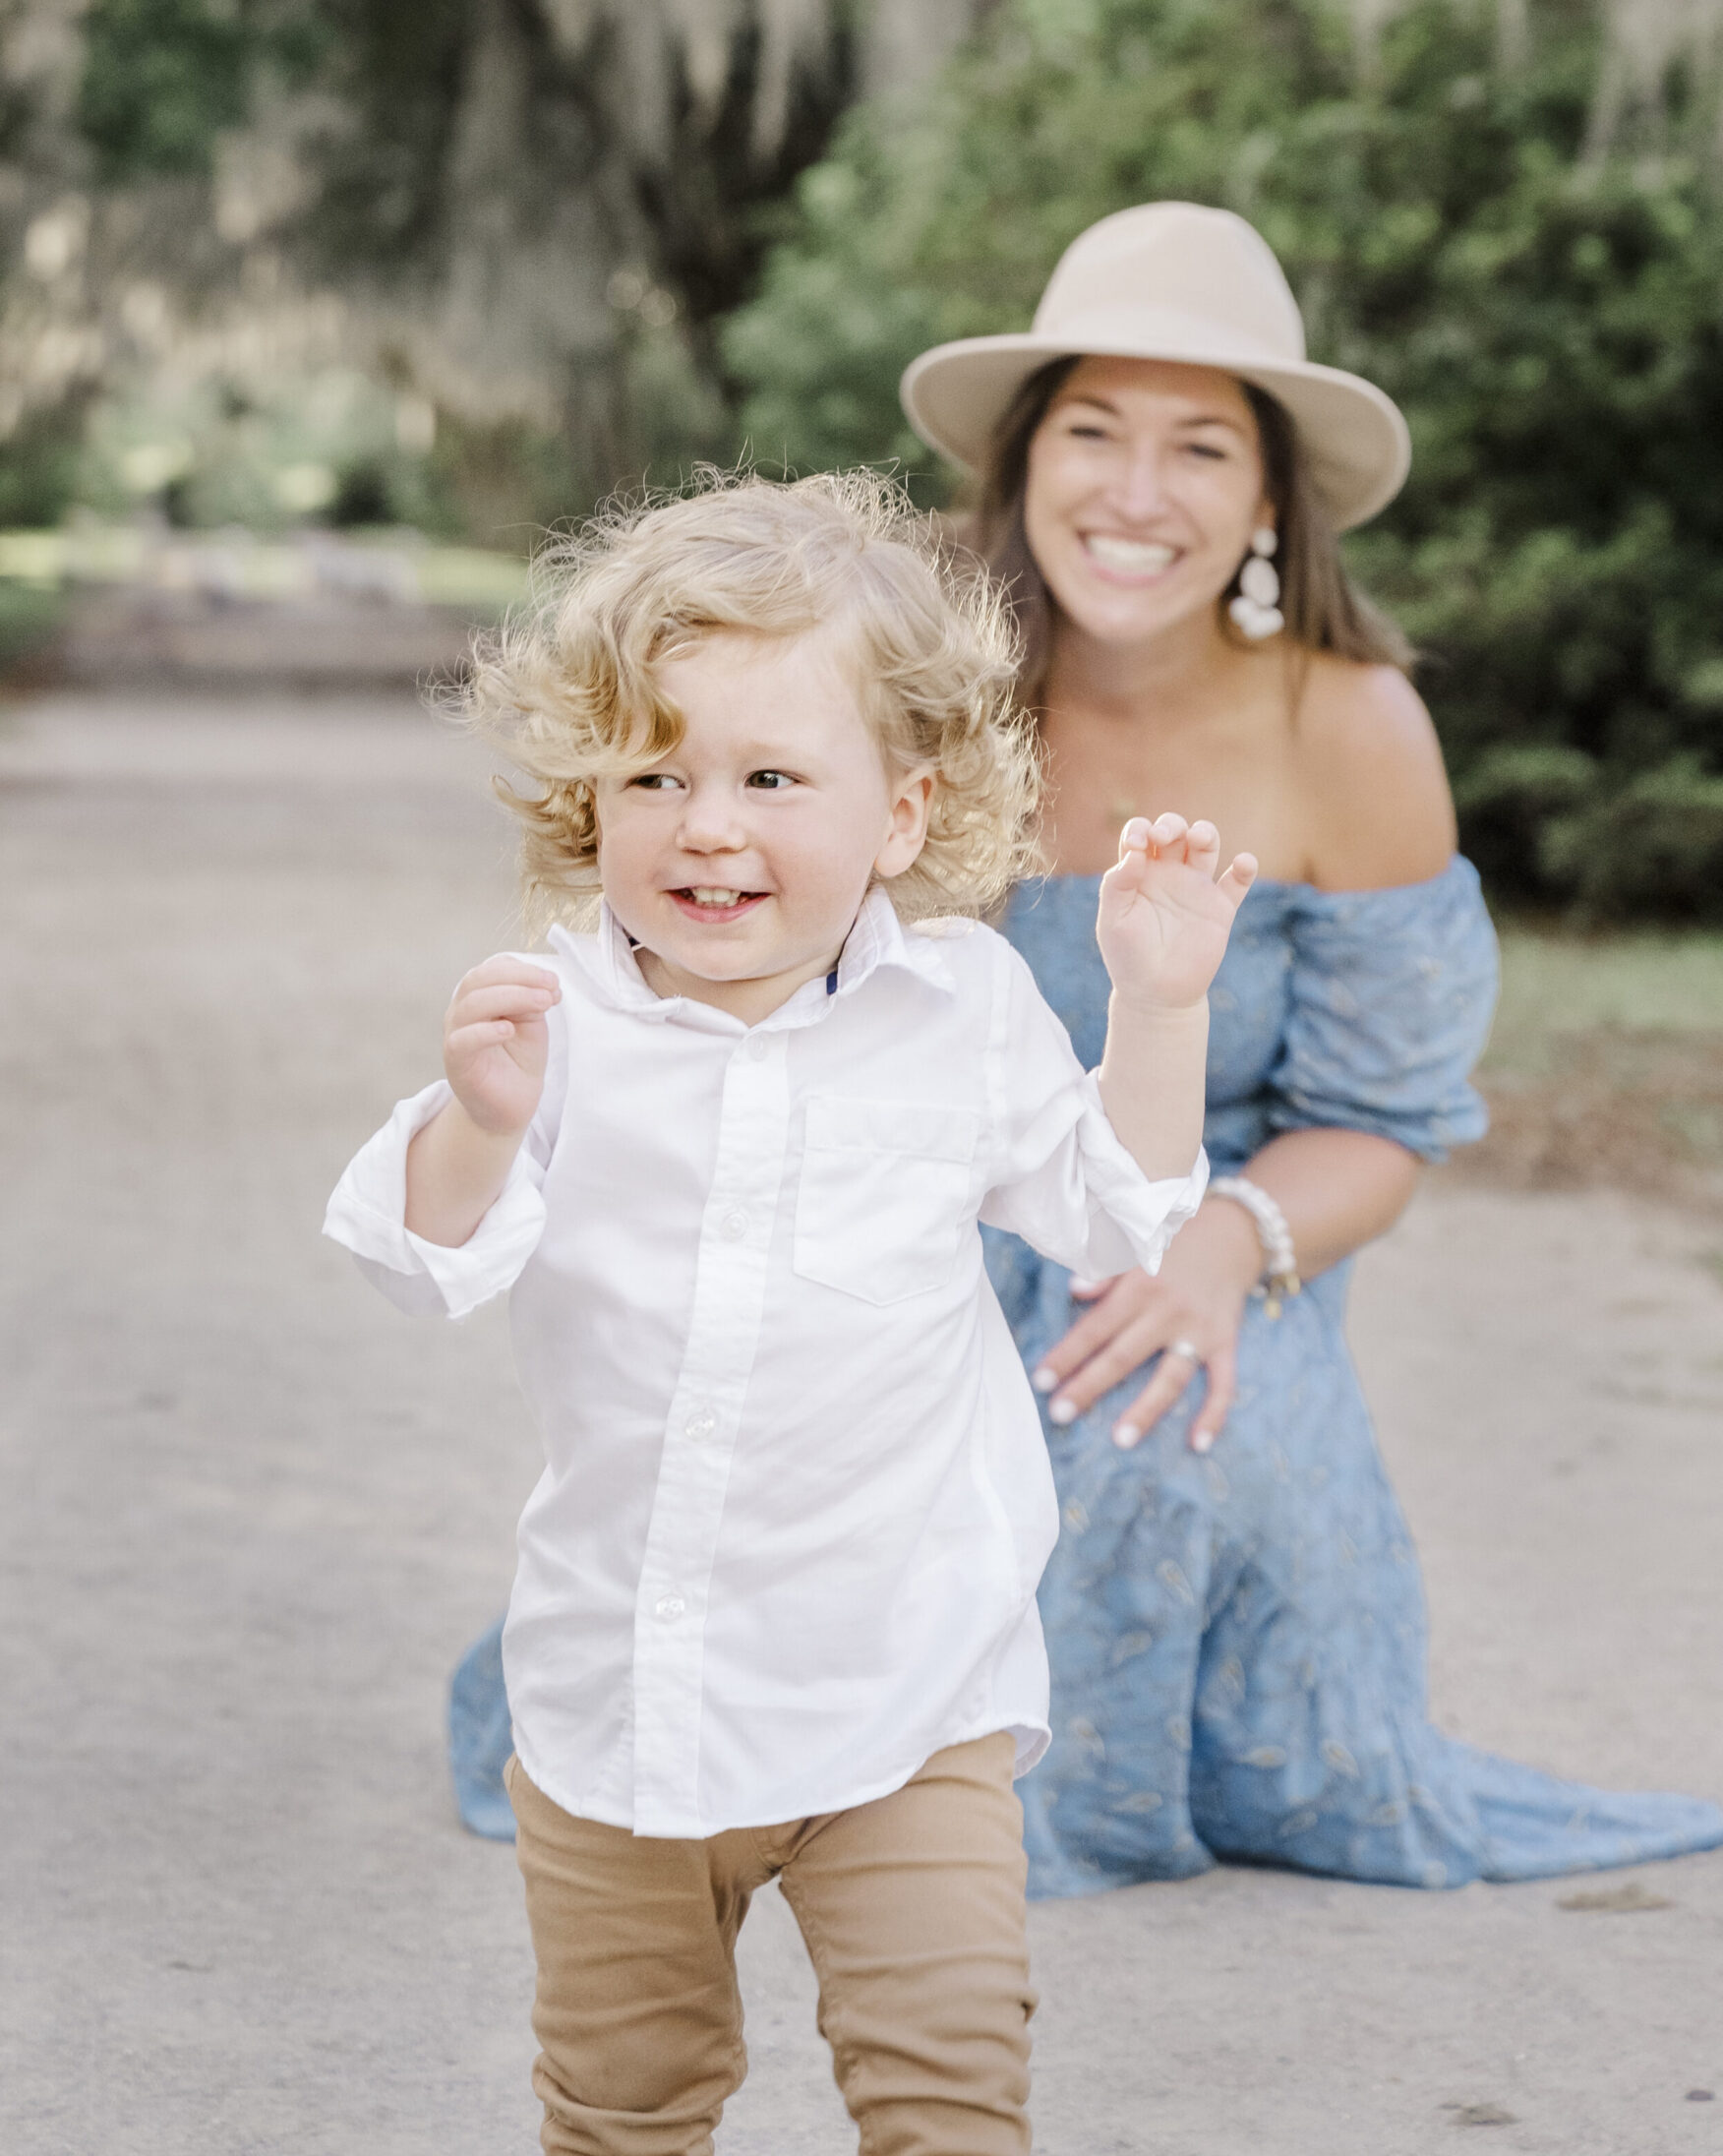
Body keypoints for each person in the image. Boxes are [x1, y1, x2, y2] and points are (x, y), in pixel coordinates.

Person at [324, 472, 1254, 2154]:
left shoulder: (959, 1009)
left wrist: (1158, 1004)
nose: (708, 824)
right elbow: (419, 1258)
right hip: (628, 1705)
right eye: (655, 774)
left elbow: (1117, 1207)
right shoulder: (560, 1025)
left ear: (901, 815)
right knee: (625, 2107)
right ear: (585, 795)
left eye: (769, 776)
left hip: (907, 1692)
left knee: (952, 2093)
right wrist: (476, 1112)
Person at [884, 198, 1723, 1895]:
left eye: (1201, 447)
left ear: (1270, 500)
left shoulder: (1349, 725)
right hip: (917, 1242)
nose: (1137, 491)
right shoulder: (915, 691)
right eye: (1095, 431)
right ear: (1026, 459)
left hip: (1217, 1244)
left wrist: (1215, 1245)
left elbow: (1384, 1120)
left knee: (1198, 1492)